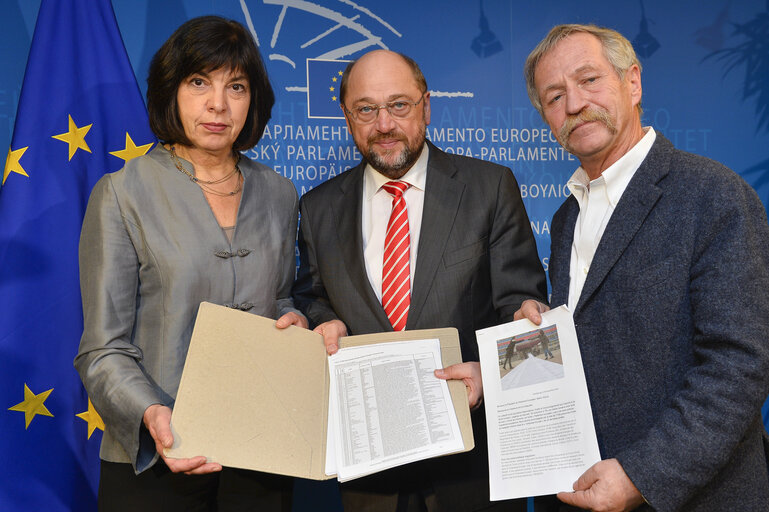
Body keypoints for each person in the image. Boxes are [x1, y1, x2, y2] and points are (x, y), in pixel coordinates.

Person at [517, 24, 769, 511]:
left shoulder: (713, 194)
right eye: (554, 96)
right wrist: (518, 356)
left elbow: (739, 365)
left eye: (589, 80)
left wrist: (642, 476)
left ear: (632, 83)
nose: (574, 104)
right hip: (587, 489)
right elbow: (603, 341)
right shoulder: (567, 217)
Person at [292, 49, 547, 511]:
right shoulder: (317, 208)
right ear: (347, 118)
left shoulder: (489, 188)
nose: (384, 124)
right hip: (370, 477)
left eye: (399, 105)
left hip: (472, 465)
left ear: (425, 107)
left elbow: (523, 307)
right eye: (366, 109)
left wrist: (491, 375)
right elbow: (312, 296)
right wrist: (323, 319)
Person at [75, 16, 306, 511]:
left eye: (236, 87)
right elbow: (102, 349)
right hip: (157, 459)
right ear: (170, 92)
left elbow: (281, 299)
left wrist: (297, 322)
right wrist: (151, 414)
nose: (218, 104)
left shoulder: (280, 193)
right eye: (199, 82)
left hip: (262, 451)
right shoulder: (121, 193)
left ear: (253, 101)